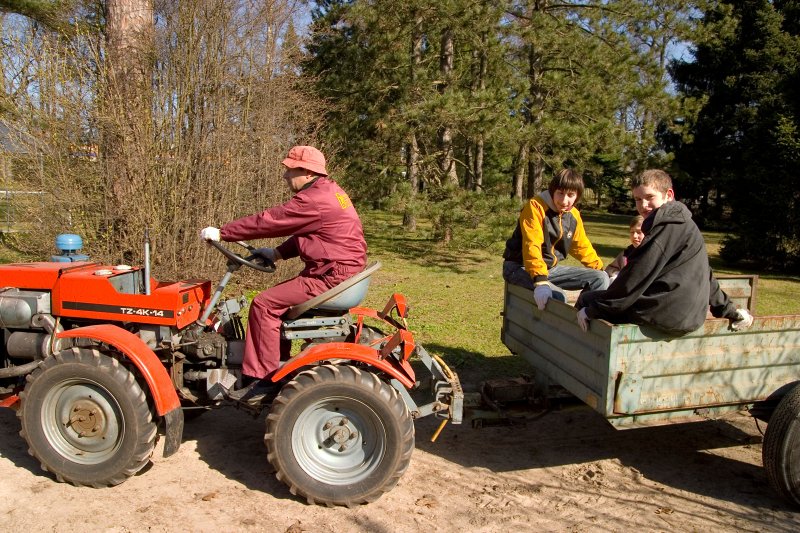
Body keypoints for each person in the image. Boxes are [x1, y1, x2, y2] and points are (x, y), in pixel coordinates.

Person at [200, 145, 367, 404]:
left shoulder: (312, 200)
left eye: (290, 169)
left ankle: (264, 380)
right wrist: (277, 253)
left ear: (308, 172)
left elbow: (270, 221)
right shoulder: (330, 191)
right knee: (275, 303)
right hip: (339, 270)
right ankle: (276, 365)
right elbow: (310, 232)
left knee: (264, 304)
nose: (285, 175)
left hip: (331, 276)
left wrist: (224, 232)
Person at [575, 169, 753, 334]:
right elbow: (705, 272)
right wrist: (727, 310)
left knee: (587, 300)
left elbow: (636, 275)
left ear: (669, 195)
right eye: (637, 199)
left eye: (649, 197)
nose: (643, 205)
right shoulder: (686, 225)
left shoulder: (666, 228)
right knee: (601, 301)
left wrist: (593, 310)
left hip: (664, 315)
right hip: (690, 317)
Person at [502, 168, 609, 310]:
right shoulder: (536, 207)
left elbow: (581, 246)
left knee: (600, 279)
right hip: (519, 267)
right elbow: (531, 244)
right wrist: (540, 282)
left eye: (570, 195)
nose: (565, 200)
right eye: (560, 193)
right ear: (553, 191)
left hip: (550, 269)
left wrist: (601, 269)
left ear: (577, 196)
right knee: (558, 296)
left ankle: (577, 319)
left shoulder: (574, 215)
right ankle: (566, 325)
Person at [604, 215, 645, 283]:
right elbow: (610, 269)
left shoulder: (652, 254)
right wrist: (617, 275)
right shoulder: (625, 254)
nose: (634, 236)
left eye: (639, 232)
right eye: (632, 232)